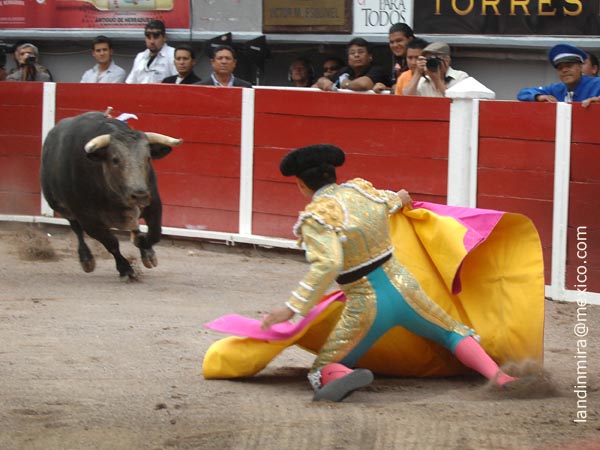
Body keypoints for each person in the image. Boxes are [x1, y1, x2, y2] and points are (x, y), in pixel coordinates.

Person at [261, 144, 519, 402]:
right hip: (406, 288)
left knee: (321, 368)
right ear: (332, 174)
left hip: (366, 303)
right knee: (453, 332)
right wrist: (401, 198)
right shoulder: (363, 191)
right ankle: (499, 376)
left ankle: (339, 374)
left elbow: (328, 264)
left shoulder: (316, 217)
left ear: (301, 185)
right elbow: (397, 199)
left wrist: (291, 308)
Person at [517, 43, 600, 103]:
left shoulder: (596, 84)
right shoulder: (556, 89)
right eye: (560, 68)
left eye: (569, 66)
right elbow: (523, 93)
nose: (564, 70)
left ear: (580, 67)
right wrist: (539, 97)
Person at [313, 38, 390, 92]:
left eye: (361, 52)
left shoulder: (377, 70)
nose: (356, 55)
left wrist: (346, 84)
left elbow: (364, 84)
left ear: (370, 56)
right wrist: (325, 82)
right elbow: (320, 82)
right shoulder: (345, 71)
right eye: (352, 53)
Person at [403, 42, 468, 97]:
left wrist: (437, 81)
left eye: (434, 59)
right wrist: (418, 73)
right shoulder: (423, 81)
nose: (432, 63)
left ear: (447, 60)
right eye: (428, 60)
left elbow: (455, 102)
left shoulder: (460, 77)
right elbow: (407, 99)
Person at [125, 19, 177, 84]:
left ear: (164, 37)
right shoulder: (140, 57)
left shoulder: (173, 54)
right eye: (148, 37)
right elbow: (130, 83)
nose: (152, 41)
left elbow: (178, 82)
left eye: (156, 37)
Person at [373, 22, 415, 93]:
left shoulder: (422, 56)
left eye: (399, 41)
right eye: (392, 42)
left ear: (410, 40)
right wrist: (383, 87)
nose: (395, 45)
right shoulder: (387, 58)